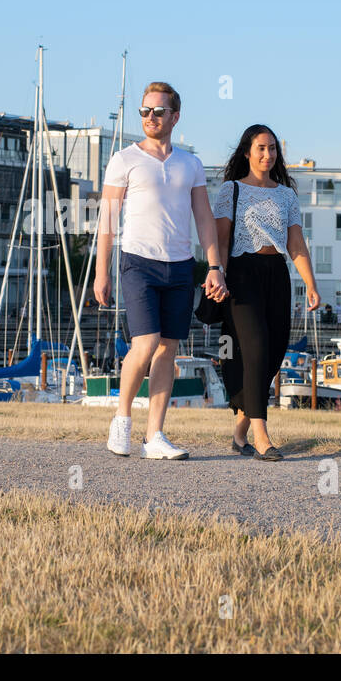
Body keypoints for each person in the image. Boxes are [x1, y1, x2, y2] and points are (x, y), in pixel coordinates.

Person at [95, 81, 225, 461]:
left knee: (168, 349)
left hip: (181, 266)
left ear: (175, 116)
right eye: (145, 111)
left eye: (158, 111)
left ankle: (155, 436)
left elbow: (204, 218)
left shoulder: (191, 164)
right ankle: (121, 420)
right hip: (138, 262)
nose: (150, 117)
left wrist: (214, 266)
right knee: (146, 343)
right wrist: (102, 273)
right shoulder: (124, 160)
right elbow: (107, 222)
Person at [211, 124, 319, 461]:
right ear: (247, 152)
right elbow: (222, 240)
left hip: (278, 275)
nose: (267, 154)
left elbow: (296, 244)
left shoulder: (286, 194)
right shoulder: (231, 190)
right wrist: (219, 276)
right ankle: (261, 437)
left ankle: (240, 430)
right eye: (260, 148)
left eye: (272, 148)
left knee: (274, 351)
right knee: (255, 349)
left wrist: (311, 284)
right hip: (242, 275)